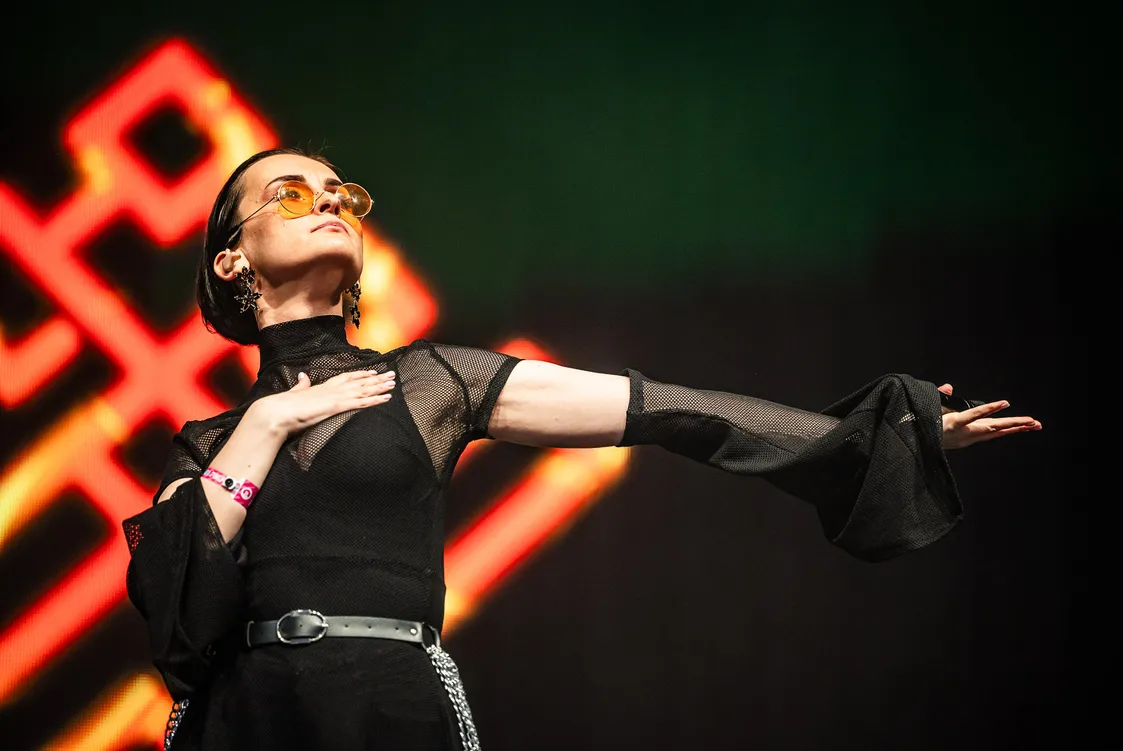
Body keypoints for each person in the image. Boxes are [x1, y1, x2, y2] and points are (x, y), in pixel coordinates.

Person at [121, 147, 1041, 750]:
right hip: (247, 723)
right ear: (231, 260)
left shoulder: (432, 382)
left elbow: (668, 410)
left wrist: (871, 434)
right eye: (290, 192)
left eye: (341, 193)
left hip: (389, 711)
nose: (328, 199)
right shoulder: (208, 442)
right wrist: (266, 425)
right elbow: (180, 618)